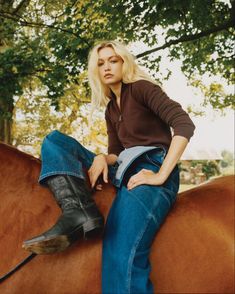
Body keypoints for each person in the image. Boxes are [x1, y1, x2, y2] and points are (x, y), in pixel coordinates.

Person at [23, 40, 195, 293]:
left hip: (150, 166)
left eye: (113, 60)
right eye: (101, 63)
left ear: (124, 62)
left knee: (120, 249)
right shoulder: (111, 109)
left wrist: (160, 175)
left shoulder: (142, 89)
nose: (107, 67)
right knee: (54, 141)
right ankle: (78, 211)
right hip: (123, 167)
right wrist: (103, 157)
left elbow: (184, 124)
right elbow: (118, 153)